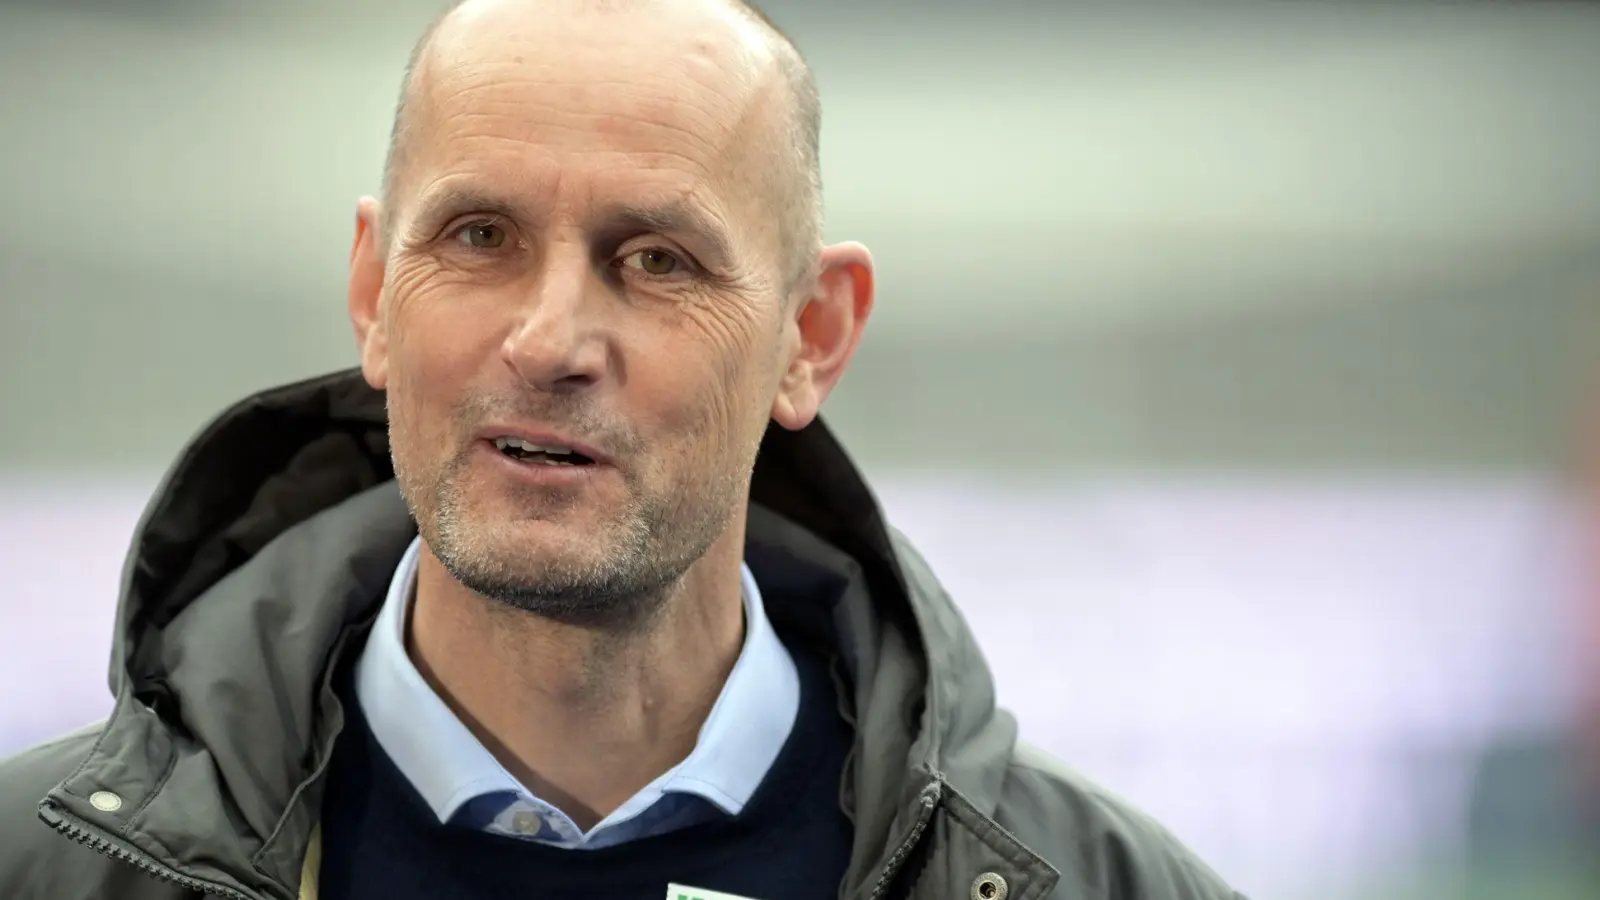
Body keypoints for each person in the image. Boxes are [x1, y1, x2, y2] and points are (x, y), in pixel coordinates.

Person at [0, 0, 1241, 898]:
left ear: (810, 334)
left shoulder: (1101, 884)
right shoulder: (42, 870)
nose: (548, 342)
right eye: (479, 237)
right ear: (374, 291)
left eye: (655, 259)